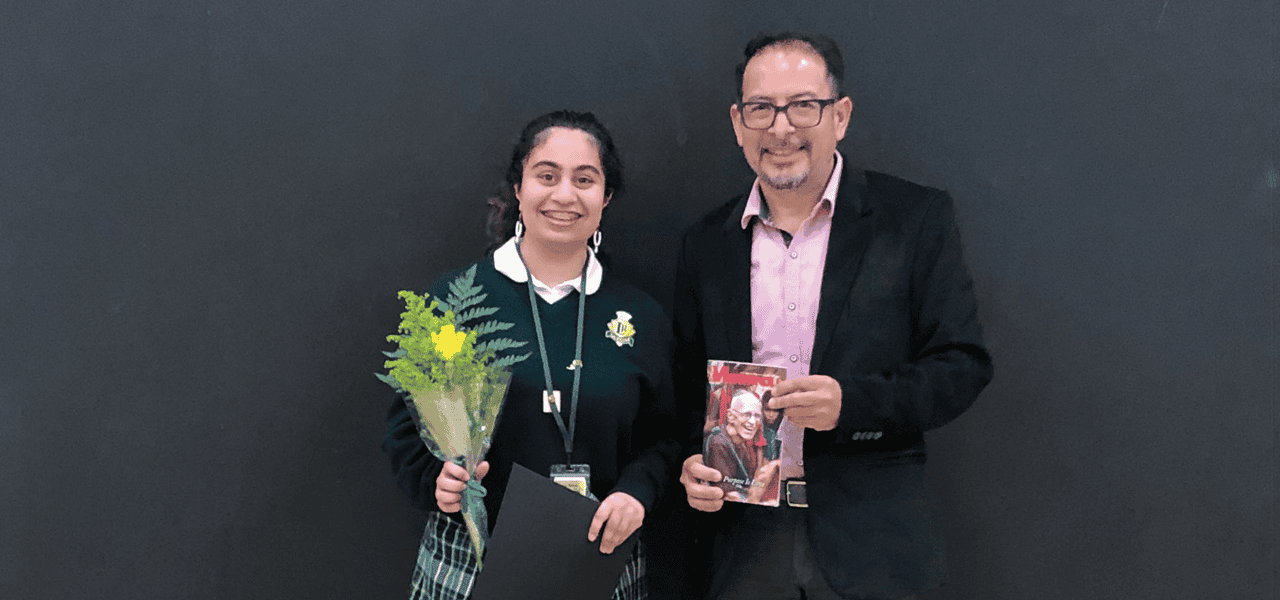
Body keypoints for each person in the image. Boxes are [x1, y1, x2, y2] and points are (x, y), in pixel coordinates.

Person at [674, 33, 993, 599]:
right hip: (744, 544)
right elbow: (682, 388)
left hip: (873, 542)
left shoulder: (912, 220)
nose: (781, 128)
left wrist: (851, 403)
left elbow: (961, 366)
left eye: (804, 106)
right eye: (761, 109)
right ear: (738, 123)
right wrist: (691, 463)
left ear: (840, 116)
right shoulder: (706, 244)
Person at [383, 110, 680, 600]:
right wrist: (438, 481)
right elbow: (405, 428)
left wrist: (637, 493)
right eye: (547, 176)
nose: (564, 195)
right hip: (471, 561)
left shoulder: (641, 316)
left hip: (598, 562)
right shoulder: (457, 302)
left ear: (605, 197)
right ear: (519, 188)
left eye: (584, 180)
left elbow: (666, 437)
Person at [702, 389, 779, 504]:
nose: (753, 422)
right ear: (730, 416)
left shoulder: (740, 442)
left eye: (757, 416)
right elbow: (727, 490)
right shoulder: (718, 442)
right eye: (747, 415)